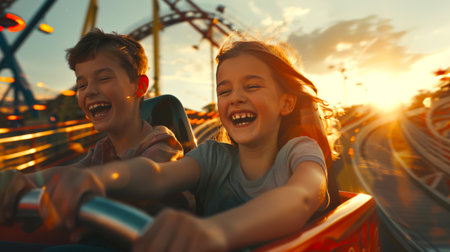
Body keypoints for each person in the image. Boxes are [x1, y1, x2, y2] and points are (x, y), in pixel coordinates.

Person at [8, 34, 340, 251]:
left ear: (286, 103)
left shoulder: (299, 151)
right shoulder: (213, 157)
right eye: (224, 91)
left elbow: (302, 197)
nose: (235, 99)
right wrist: (96, 178)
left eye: (251, 87)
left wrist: (217, 232)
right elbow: (155, 175)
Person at [0, 29, 185, 227]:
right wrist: (19, 180)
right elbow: (69, 172)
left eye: (104, 78)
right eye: (81, 85)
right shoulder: (102, 151)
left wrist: (89, 179)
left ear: (139, 87)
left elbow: (150, 173)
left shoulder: (162, 142)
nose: (90, 91)